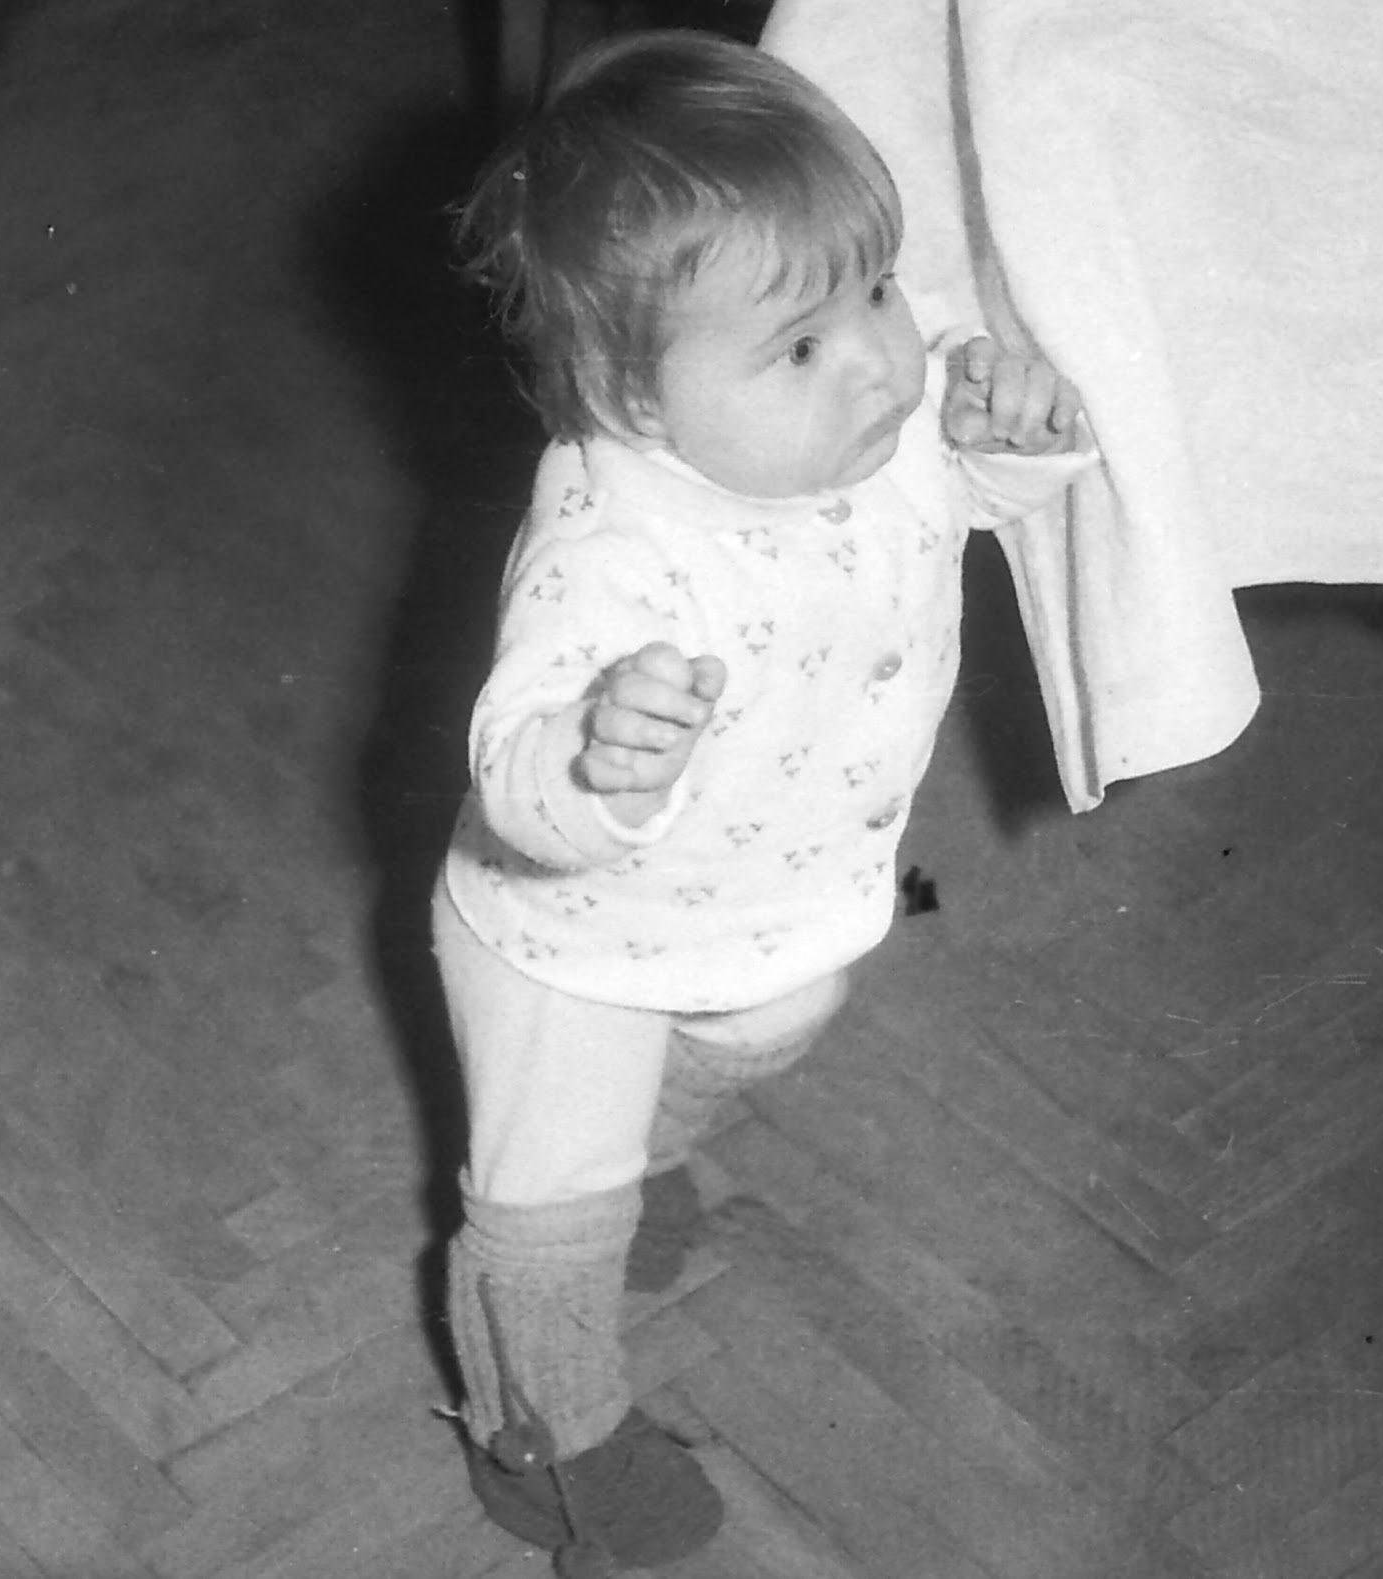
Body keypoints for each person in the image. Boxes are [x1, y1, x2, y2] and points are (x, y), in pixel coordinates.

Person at [437, 30, 1091, 1567]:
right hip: (570, 935)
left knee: (770, 1024)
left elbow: (946, 505)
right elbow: (517, 768)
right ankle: (545, 1438)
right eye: (799, 345)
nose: (879, 358)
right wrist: (595, 755)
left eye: (875, 289)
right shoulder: (612, 549)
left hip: (783, 888)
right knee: (545, 1201)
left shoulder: (861, 413)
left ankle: (642, 1159)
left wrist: (1008, 451)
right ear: (631, 397)